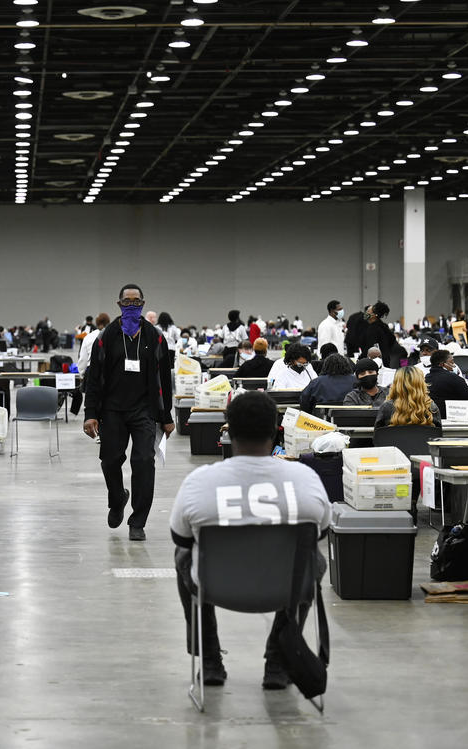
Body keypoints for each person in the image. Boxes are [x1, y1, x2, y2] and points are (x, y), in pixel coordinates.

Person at [171, 391, 331, 688]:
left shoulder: (200, 482)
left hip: (216, 587)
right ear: (276, 430)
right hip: (286, 588)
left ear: (228, 431)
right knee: (314, 561)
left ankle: (209, 661)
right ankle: (279, 661)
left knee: (182, 558)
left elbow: (180, 539)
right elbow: (320, 533)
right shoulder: (305, 479)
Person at [83, 283, 174, 542]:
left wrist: (166, 416)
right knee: (110, 461)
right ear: (119, 304)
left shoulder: (155, 337)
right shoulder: (107, 337)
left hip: (144, 410)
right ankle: (117, 498)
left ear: (143, 304)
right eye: (127, 302)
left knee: (144, 462)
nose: (132, 306)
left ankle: (138, 522)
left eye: (137, 302)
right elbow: (94, 378)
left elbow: (165, 381)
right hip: (112, 410)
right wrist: (91, 413)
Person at [375, 366, 441, 428]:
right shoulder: (431, 407)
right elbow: (438, 434)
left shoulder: (386, 407)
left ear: (396, 384)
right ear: (421, 384)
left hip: (394, 440)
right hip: (423, 440)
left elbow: (378, 435)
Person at [425, 349, 468, 419]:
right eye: (451, 361)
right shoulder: (454, 379)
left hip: (430, 418)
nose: (454, 364)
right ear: (442, 364)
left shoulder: (425, 378)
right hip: (451, 418)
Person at [361, 301, 397, 366]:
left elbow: (369, 347)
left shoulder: (373, 329)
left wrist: (360, 359)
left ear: (374, 315)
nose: (365, 313)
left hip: (377, 362)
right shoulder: (383, 326)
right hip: (385, 359)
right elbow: (392, 339)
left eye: (368, 312)